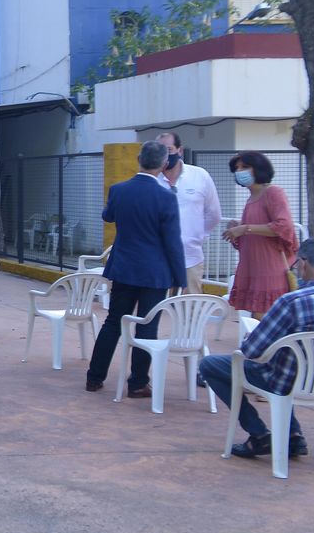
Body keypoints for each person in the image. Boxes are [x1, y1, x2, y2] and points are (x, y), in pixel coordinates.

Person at [198, 237, 314, 460]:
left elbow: (252, 350)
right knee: (288, 360)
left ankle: (259, 434)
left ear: (303, 264)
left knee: (211, 365)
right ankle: (292, 435)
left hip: (284, 382)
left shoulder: (292, 301)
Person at [84, 141, 186, 396]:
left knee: (113, 322)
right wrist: (179, 277)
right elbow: (172, 241)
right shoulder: (166, 197)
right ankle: (138, 382)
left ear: (139, 159)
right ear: (164, 165)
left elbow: (108, 216)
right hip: (155, 272)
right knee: (147, 326)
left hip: (125, 268)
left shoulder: (119, 190)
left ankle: (94, 377)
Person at [223, 150, 298, 318]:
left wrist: (244, 228)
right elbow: (255, 232)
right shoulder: (251, 198)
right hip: (253, 268)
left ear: (259, 168)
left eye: (245, 167)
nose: (240, 171)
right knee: (256, 320)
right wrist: (238, 228)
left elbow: (284, 226)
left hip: (269, 270)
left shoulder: (273, 192)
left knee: (264, 321)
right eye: (237, 168)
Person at [154, 132, 221, 292]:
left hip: (190, 257)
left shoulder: (199, 176)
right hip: (157, 257)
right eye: (160, 150)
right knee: (157, 309)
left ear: (179, 150)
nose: (165, 155)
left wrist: (196, 235)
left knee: (189, 308)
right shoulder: (152, 179)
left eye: (168, 149)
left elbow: (213, 214)